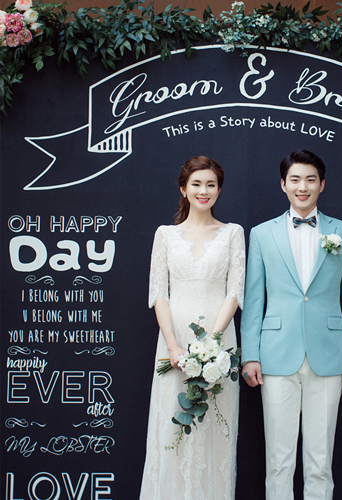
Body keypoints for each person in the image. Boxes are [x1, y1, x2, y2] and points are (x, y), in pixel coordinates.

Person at [240, 149, 342, 500]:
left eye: (311, 180)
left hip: (329, 355)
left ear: (322, 184)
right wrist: (250, 355)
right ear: (283, 184)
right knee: (278, 460)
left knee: (320, 460)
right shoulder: (262, 234)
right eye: (295, 179)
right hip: (275, 356)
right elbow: (254, 300)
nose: (303, 187)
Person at [139, 156, 245, 500]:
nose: (204, 191)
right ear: (183, 189)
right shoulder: (165, 235)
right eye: (197, 184)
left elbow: (234, 292)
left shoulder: (232, 233)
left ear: (219, 190)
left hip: (219, 338)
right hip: (174, 339)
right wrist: (173, 346)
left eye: (211, 184)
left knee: (214, 424)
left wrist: (213, 342)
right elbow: (159, 293)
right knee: (172, 422)